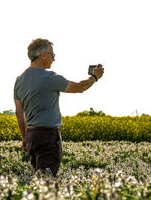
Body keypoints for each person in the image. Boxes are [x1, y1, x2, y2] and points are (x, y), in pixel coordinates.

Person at [13, 38, 104, 177]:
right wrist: (94, 77)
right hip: (48, 136)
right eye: (52, 55)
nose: (53, 59)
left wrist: (24, 137)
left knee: (38, 179)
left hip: (31, 136)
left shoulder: (19, 80)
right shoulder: (49, 77)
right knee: (47, 182)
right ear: (43, 55)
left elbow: (19, 113)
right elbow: (80, 87)